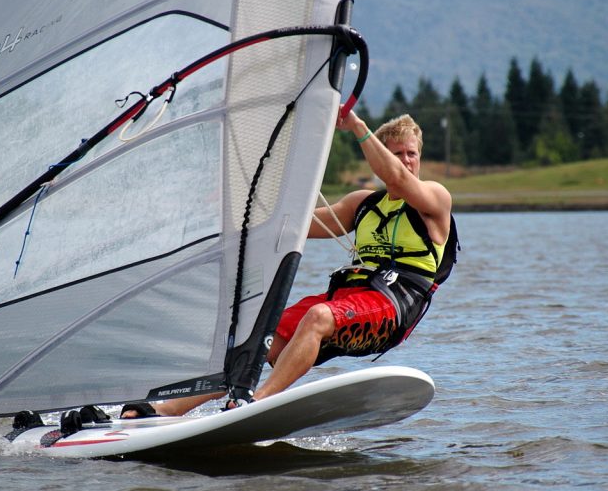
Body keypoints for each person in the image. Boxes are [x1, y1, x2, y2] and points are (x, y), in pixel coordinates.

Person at [121, 109, 452, 418]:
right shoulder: (362, 204)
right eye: (396, 153)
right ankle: (166, 410)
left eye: (411, 153)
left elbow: (397, 180)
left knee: (319, 316)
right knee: (260, 334)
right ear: (381, 156)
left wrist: (356, 125)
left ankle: (255, 403)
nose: (406, 161)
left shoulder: (434, 199)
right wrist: (239, 206)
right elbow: (296, 226)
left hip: (392, 308)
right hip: (350, 300)